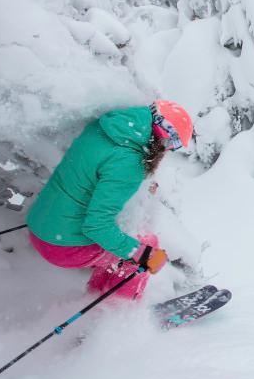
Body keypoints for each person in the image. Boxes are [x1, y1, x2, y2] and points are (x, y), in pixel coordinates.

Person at [26, 100, 194, 301]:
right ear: (164, 137)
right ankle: (118, 309)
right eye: (172, 145)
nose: (167, 151)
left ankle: (97, 295)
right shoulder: (129, 163)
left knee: (123, 243)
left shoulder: (104, 127)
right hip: (61, 247)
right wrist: (145, 255)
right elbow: (96, 226)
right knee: (146, 246)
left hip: (40, 224)